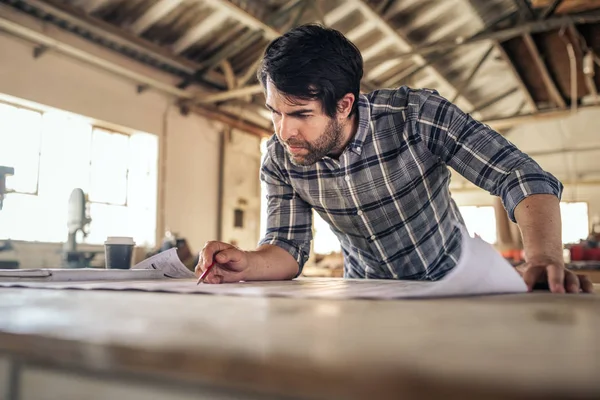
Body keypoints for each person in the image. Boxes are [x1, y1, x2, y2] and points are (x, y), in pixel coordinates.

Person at [195, 24, 593, 294]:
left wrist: (543, 257)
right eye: (274, 112)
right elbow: (286, 248)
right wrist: (245, 262)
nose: (284, 131)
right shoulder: (281, 158)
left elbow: (519, 176)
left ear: (344, 104)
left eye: (301, 114)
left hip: (454, 287)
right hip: (367, 295)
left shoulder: (416, 117)